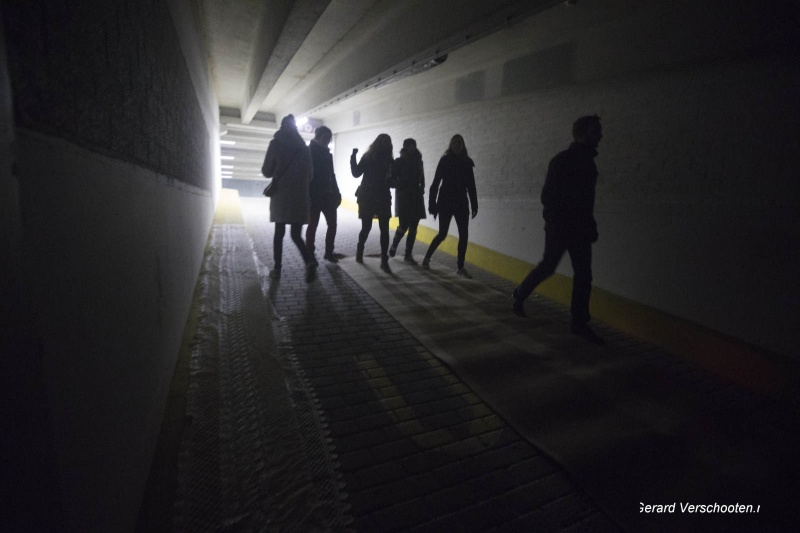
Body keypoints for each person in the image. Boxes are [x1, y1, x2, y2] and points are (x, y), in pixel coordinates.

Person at [511, 114, 604, 344]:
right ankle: (520, 294)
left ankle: (579, 322)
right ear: (582, 134)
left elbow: (585, 202)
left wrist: (588, 224)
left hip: (575, 227)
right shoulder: (566, 161)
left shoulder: (585, 163)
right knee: (551, 268)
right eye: (596, 131)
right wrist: (560, 221)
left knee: (581, 274)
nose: (601, 135)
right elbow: (549, 196)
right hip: (563, 227)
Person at [261, 114, 316, 282]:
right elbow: (311, 176)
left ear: (282, 127)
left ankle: (277, 269)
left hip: (281, 196)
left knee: (279, 233)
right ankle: (309, 261)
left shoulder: (276, 144)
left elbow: (266, 171)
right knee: (296, 235)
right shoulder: (304, 148)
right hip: (300, 197)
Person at [422, 134, 478, 278]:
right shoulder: (445, 161)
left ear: (463, 146)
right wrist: (432, 204)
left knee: (464, 235)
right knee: (442, 234)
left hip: (460, 202)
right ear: (451, 145)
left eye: (459, 143)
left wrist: (474, 204)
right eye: (454, 143)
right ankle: (427, 258)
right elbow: (435, 183)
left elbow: (471, 186)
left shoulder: (467, 163)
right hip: (446, 201)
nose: (457, 145)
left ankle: (460, 267)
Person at [350, 133, 394, 273]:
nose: (385, 144)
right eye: (383, 141)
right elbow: (356, 173)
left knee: (383, 230)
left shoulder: (389, 161)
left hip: (378, 196)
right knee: (367, 227)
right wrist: (353, 158)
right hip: (369, 197)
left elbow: (392, 181)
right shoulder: (369, 157)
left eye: (387, 142)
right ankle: (361, 250)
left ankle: (383, 259)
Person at [306, 126, 342, 263]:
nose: (328, 141)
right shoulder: (309, 153)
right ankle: (310, 254)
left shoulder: (328, 155)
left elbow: (332, 175)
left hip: (327, 195)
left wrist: (336, 191)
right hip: (314, 195)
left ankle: (328, 252)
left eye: (329, 138)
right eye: (326, 138)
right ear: (318, 137)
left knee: (332, 224)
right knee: (313, 225)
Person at [388, 138, 426, 264]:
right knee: (403, 226)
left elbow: (422, 177)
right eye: (408, 145)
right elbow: (391, 179)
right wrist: (397, 183)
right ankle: (394, 246)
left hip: (416, 197)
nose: (411, 148)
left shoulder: (418, 162)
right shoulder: (398, 162)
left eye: (413, 145)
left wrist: (422, 187)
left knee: (414, 227)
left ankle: (408, 254)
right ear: (404, 147)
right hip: (403, 196)